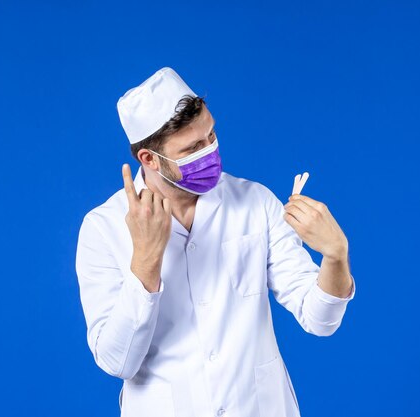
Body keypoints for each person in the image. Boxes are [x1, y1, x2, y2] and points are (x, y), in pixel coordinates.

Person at [75, 67, 356, 417]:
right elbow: (117, 361)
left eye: (211, 135)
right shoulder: (102, 228)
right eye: (193, 147)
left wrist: (335, 255)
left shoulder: (255, 202)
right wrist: (146, 258)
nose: (210, 152)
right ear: (149, 159)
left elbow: (321, 319)